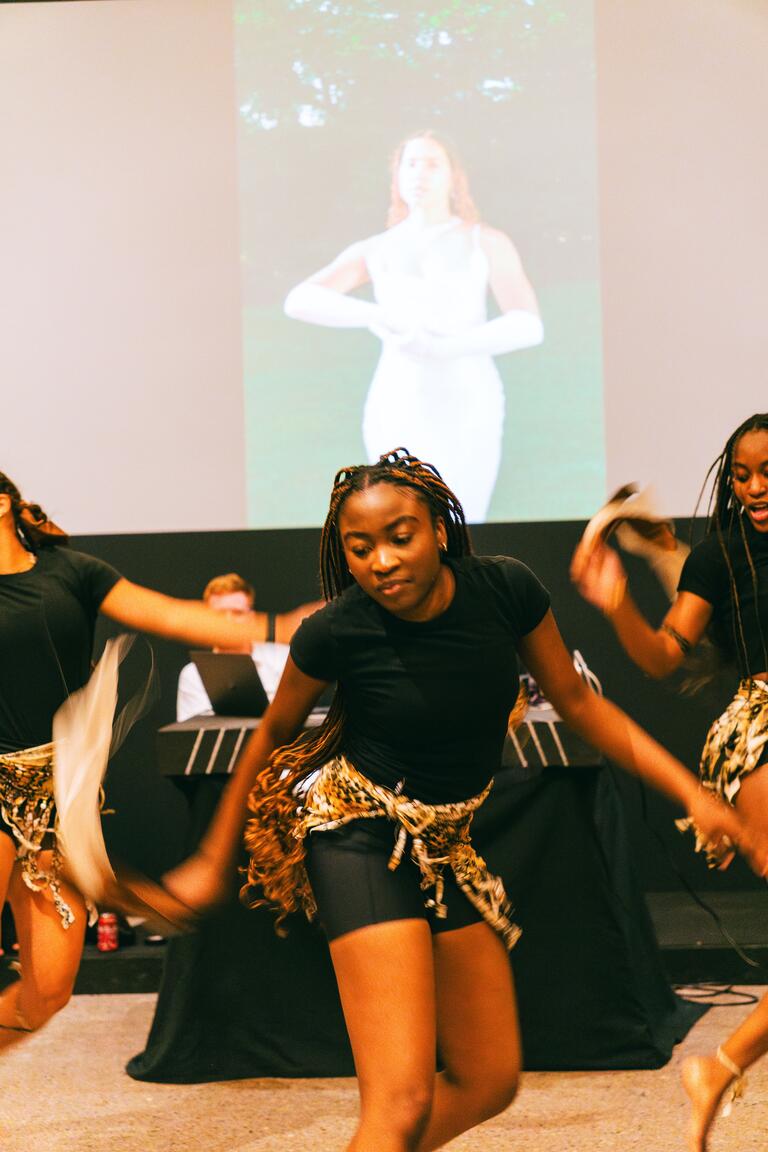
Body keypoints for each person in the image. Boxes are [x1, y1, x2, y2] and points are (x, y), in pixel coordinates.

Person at [165, 448, 765, 1152]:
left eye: (399, 537)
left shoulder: (505, 590)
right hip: (357, 836)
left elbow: (577, 702)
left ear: (439, 531)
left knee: (489, 1079)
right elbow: (269, 736)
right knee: (400, 1101)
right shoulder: (337, 630)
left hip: (445, 845)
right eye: (360, 548)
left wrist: (692, 794)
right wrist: (211, 859)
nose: (381, 561)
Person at [0, 470, 278, 1052]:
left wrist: (281, 628)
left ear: (3, 504)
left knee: (47, 990)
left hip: (56, 802)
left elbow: (174, 615)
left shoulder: (73, 573)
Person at [571, 412, 768, 1152]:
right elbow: (661, 657)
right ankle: (719, 1067)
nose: (752, 487)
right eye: (742, 473)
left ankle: (718, 1068)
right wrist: (619, 602)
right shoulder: (722, 557)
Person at [284, 131, 543, 523]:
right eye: (411, 163)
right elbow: (300, 299)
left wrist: (449, 346)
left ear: (453, 176)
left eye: (432, 163)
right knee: (400, 516)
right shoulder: (378, 248)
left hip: (467, 395)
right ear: (398, 176)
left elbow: (528, 324)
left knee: (463, 515)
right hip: (399, 395)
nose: (420, 173)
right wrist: (377, 315)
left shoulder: (483, 241)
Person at [176, 572, 322, 721]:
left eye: (237, 613)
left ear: (251, 617)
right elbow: (190, 736)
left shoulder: (284, 659)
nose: (228, 620)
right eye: (219, 614)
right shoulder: (192, 676)